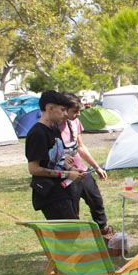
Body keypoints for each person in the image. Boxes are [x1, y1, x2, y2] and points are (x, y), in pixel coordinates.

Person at [25, 91, 84, 219]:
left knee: (72, 229)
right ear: (49, 108)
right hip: (50, 194)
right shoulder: (38, 133)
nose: (65, 114)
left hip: (63, 190)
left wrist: (71, 168)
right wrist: (68, 174)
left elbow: (58, 160)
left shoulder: (55, 129)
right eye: (62, 110)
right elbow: (34, 169)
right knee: (69, 233)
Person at [60, 94, 112, 239]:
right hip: (68, 175)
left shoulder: (75, 122)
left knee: (96, 201)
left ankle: (104, 233)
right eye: (75, 112)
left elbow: (81, 147)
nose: (78, 115)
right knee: (72, 209)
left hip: (82, 170)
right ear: (64, 110)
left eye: (79, 112)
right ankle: (74, 241)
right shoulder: (54, 125)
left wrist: (96, 167)